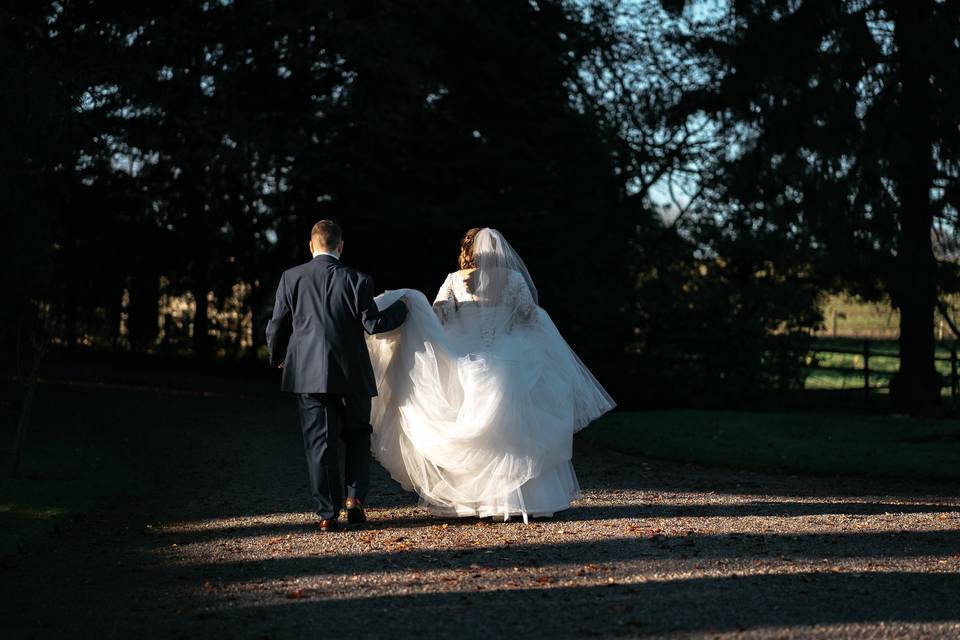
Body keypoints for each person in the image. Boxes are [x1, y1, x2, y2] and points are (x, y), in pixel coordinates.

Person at [366, 227, 614, 523]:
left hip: (465, 360)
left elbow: (437, 317)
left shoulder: (454, 281)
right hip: (511, 359)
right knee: (518, 430)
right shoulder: (513, 278)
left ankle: (479, 503)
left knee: (478, 434)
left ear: (467, 252)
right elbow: (527, 315)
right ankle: (531, 500)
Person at [266, 220, 407, 532]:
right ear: (340, 246)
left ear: (311, 246)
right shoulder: (358, 279)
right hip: (352, 372)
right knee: (358, 434)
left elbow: (277, 324)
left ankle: (327, 513)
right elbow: (373, 323)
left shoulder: (292, 278)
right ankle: (355, 499)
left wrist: (277, 357)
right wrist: (404, 310)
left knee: (320, 442)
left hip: (308, 373)